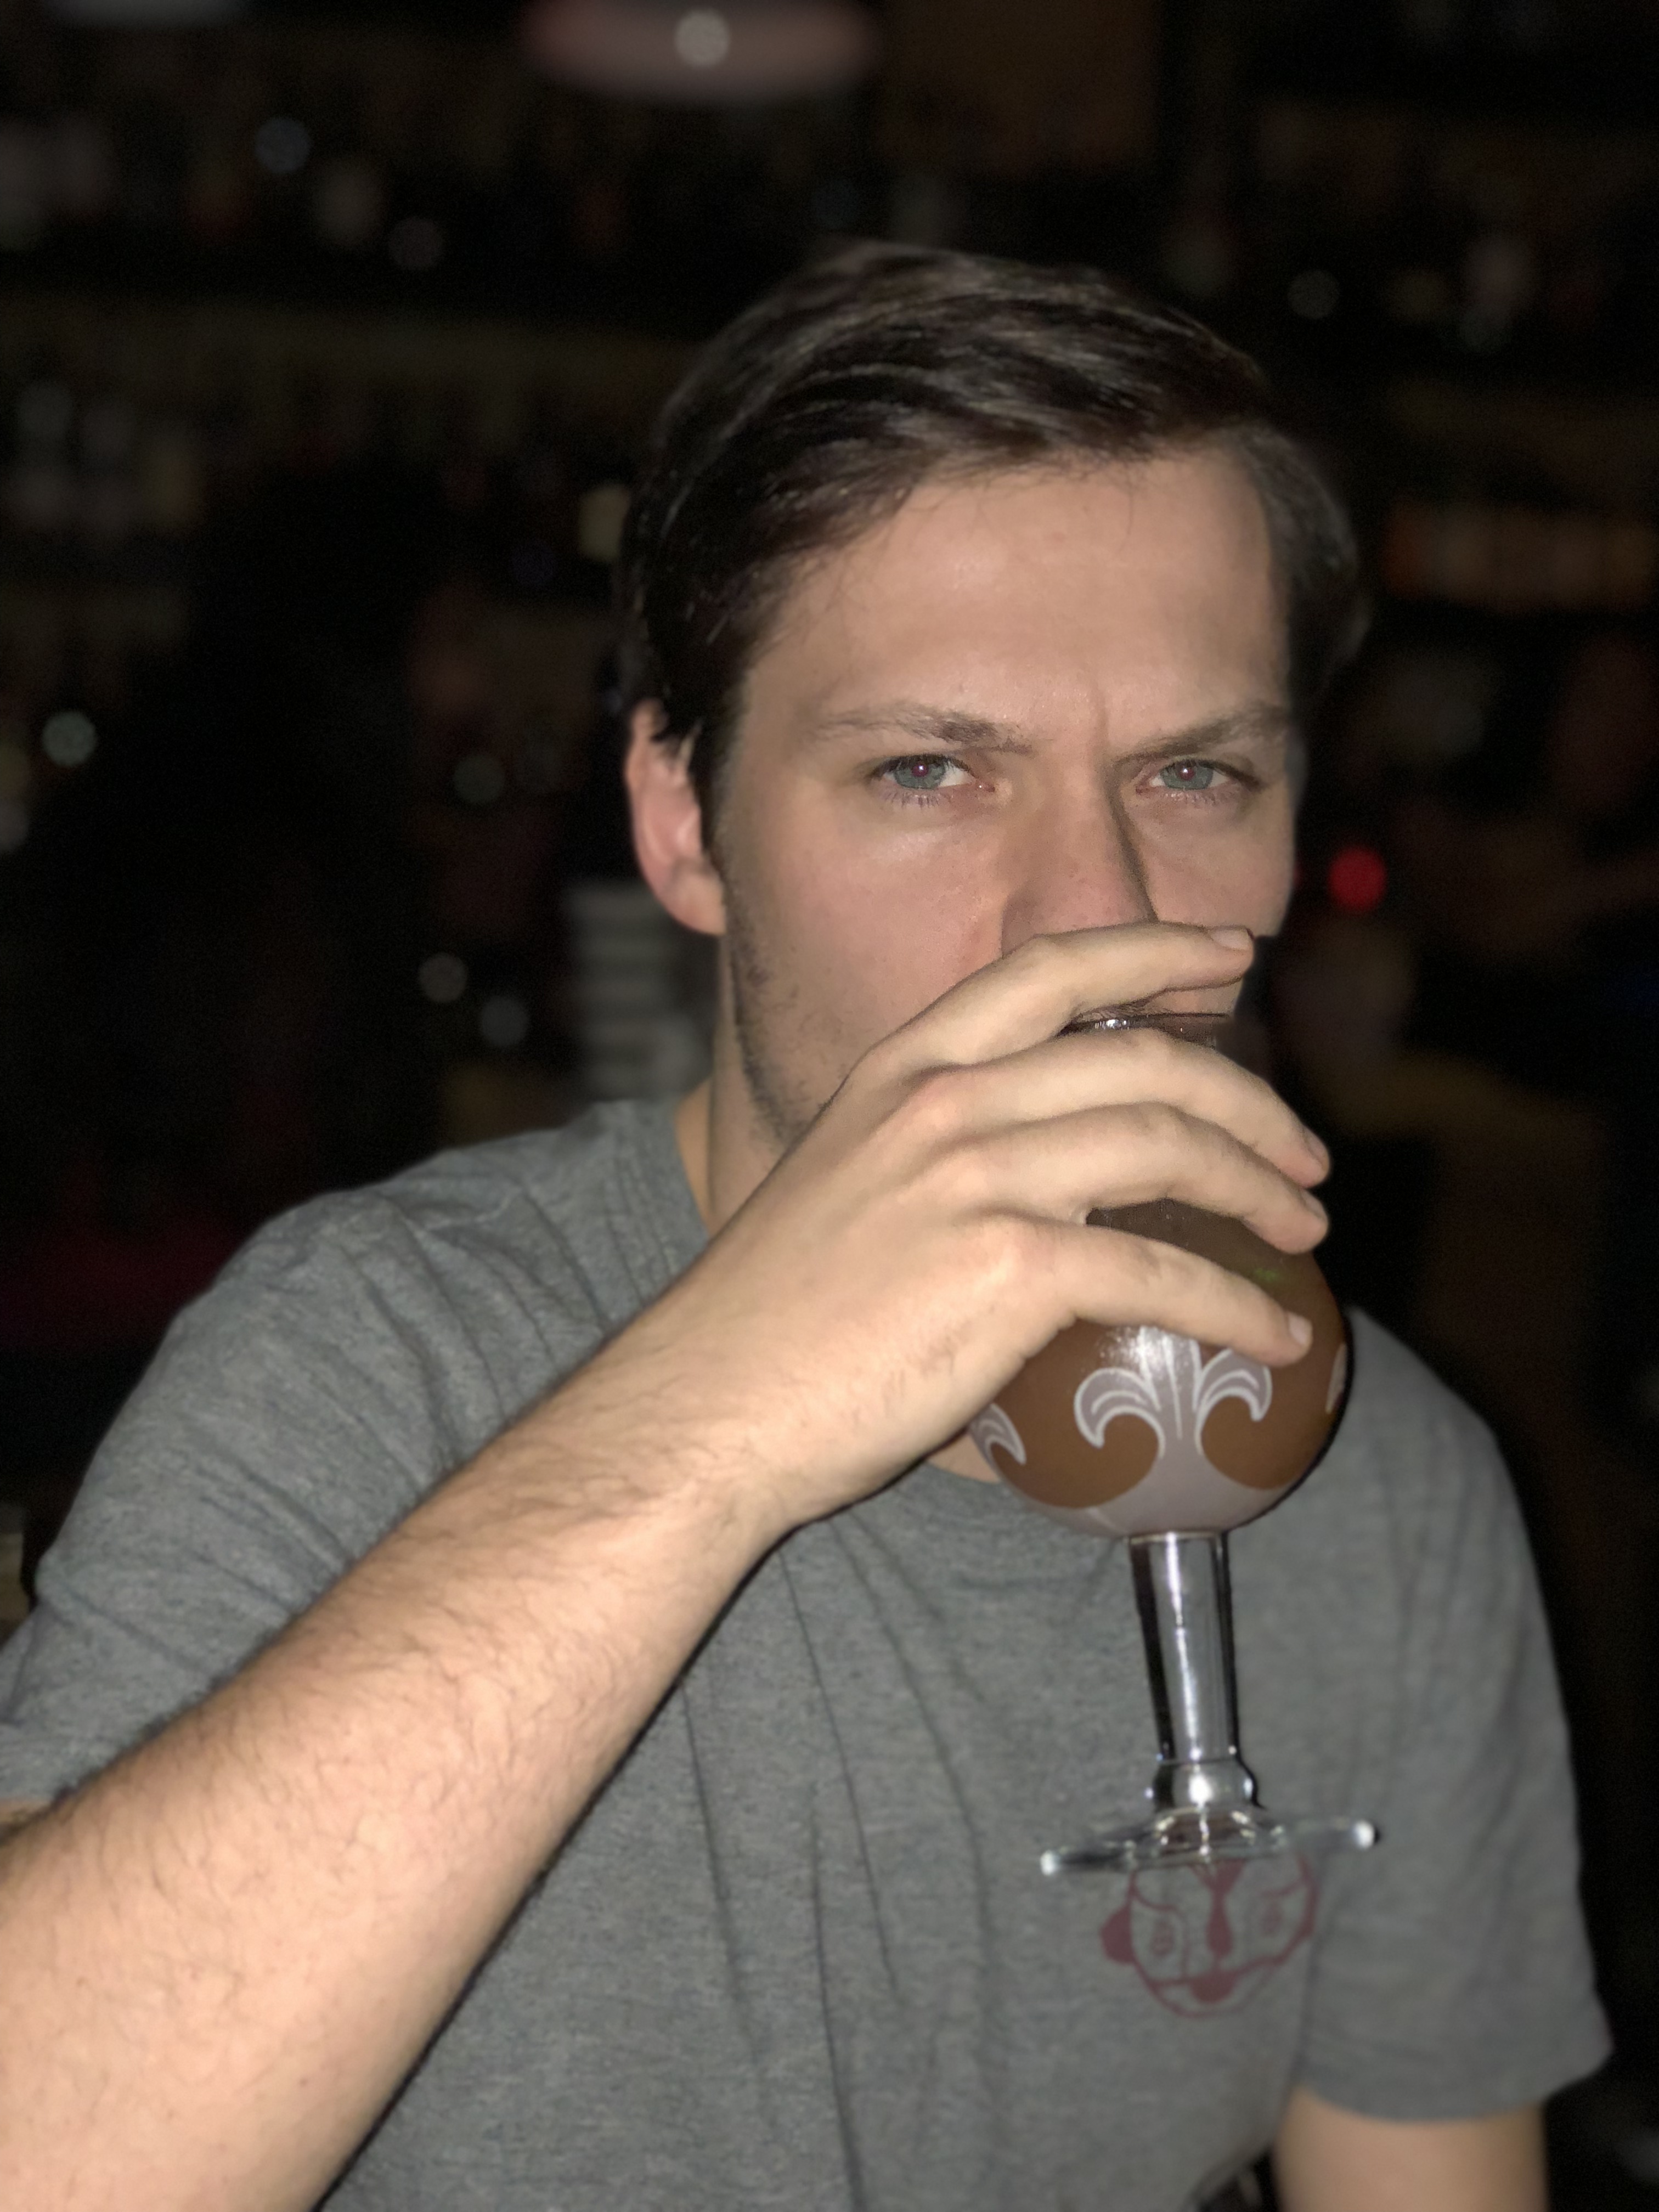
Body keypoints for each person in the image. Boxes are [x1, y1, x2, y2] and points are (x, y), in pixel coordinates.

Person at [0, 246, 1606, 2211]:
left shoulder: (1392, 1487)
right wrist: (715, 1423)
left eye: (1194, 773)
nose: (1094, 912)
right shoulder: (370, 1364)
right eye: (930, 771)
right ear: (685, 821)